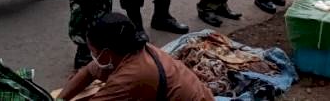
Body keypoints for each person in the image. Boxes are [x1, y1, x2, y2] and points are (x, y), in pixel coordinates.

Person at [58, 13, 214, 101]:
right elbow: (87, 72)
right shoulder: (131, 49)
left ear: (106, 53)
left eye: (93, 50)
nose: (93, 56)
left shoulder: (129, 77)